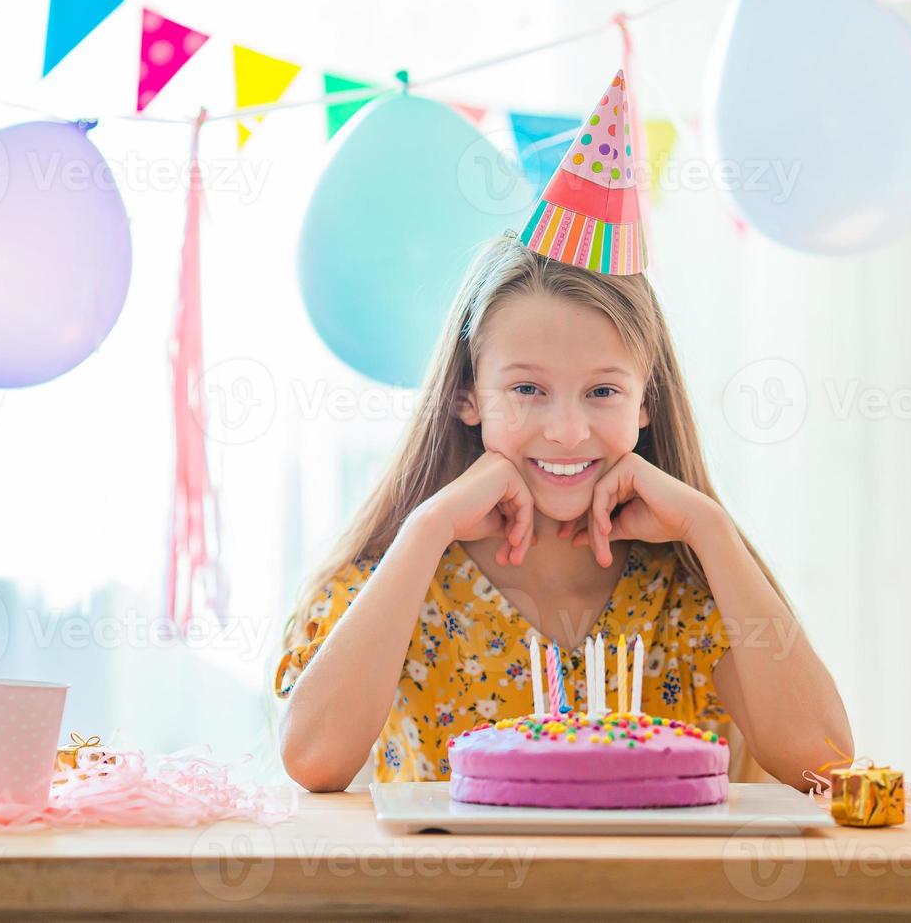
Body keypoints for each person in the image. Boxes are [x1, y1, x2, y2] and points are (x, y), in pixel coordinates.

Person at [275, 71, 851, 792]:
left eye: (603, 391)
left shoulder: (687, 592)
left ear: (647, 403)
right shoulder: (394, 581)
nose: (568, 430)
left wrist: (710, 528)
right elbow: (312, 761)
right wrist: (425, 530)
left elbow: (824, 759)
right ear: (466, 397)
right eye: (527, 390)